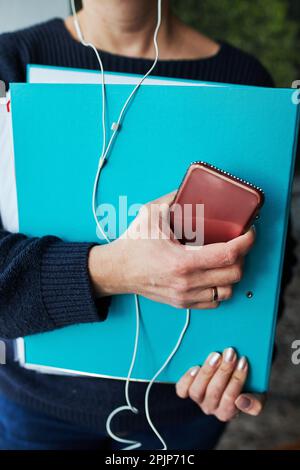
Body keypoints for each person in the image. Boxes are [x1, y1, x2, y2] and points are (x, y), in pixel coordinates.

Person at [0, 0, 296, 450]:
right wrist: (113, 269)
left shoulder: (243, 80)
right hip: (37, 411)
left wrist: (240, 362)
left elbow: (273, 255)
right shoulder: (11, 64)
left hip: (184, 410)